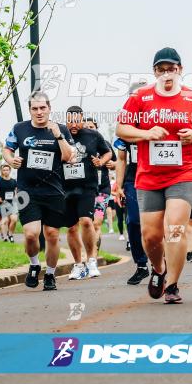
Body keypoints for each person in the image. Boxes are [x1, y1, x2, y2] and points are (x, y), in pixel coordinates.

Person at [116, 47, 192, 304]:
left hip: (183, 173)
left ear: (180, 70)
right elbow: (122, 128)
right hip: (149, 176)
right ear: (154, 72)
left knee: (175, 229)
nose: (166, 74)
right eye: (161, 70)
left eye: (171, 69)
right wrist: (145, 134)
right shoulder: (140, 97)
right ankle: (158, 269)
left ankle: (172, 285)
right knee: (150, 236)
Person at [3, 91, 76, 291]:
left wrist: (59, 136)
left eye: (43, 108)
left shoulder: (60, 129)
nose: (39, 112)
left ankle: (51, 275)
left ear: (49, 108)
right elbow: (7, 149)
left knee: (52, 234)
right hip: (28, 191)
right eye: (34, 108)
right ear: (30, 110)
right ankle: (35, 264)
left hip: (54, 191)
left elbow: (70, 156)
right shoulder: (20, 129)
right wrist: (11, 160)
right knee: (30, 234)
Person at [62, 107, 112, 280]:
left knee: (85, 221)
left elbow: (108, 152)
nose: (73, 125)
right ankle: (77, 265)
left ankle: (91, 260)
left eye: (77, 121)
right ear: (66, 120)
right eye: (70, 121)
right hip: (66, 188)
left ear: (82, 120)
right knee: (71, 227)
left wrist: (101, 161)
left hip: (87, 186)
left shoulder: (93, 135)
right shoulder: (60, 134)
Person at [114, 82, 151, 285]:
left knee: (158, 225)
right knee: (133, 221)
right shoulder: (125, 129)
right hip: (133, 179)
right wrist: (118, 186)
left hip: (157, 177)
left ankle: (163, 262)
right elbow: (121, 159)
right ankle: (142, 265)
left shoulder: (159, 119)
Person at [0, 164, 18, 241]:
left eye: (7, 170)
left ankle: (10, 234)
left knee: (14, 219)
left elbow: (16, 191)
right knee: (5, 220)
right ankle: (4, 236)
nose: (6, 171)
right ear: (2, 171)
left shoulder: (13, 181)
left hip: (12, 203)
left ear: (10, 171)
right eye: (4, 170)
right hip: (3, 203)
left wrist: (16, 197)